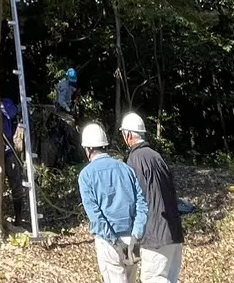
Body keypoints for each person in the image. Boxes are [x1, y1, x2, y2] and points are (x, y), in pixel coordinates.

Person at [77, 122, 149, 283]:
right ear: (104, 145)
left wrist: (116, 243)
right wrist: (137, 235)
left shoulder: (86, 175)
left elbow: (96, 216)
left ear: (88, 149)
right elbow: (142, 204)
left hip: (109, 242)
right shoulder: (125, 169)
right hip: (132, 238)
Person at [121, 112, 184, 283]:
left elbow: (136, 200)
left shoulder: (135, 159)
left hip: (155, 236)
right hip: (174, 232)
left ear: (128, 135)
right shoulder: (157, 156)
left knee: (153, 279)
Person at [1, 97, 27, 224]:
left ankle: (18, 217)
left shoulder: (5, 103)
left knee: (16, 184)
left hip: (8, 151)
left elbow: (12, 112)